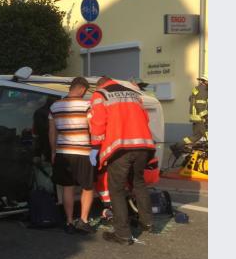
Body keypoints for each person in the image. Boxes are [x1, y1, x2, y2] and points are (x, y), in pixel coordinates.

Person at [88, 76, 156, 245]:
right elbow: (145, 119)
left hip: (120, 148)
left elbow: (98, 123)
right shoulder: (134, 94)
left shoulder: (100, 94)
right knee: (138, 183)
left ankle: (123, 234)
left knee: (116, 190)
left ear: (100, 84)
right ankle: (147, 223)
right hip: (144, 145)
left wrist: (95, 147)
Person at [48, 77, 95, 234]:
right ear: (82, 89)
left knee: (67, 187)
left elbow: (52, 132)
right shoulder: (87, 105)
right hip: (83, 152)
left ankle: (69, 222)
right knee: (87, 187)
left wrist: (53, 151)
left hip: (63, 152)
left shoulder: (54, 106)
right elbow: (93, 127)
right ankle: (83, 220)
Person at [171, 75, 208, 156]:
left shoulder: (197, 89)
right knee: (205, 134)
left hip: (195, 117)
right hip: (200, 118)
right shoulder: (203, 91)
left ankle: (178, 145)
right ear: (206, 81)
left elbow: (190, 99)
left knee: (195, 136)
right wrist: (206, 117)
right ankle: (177, 146)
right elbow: (200, 105)